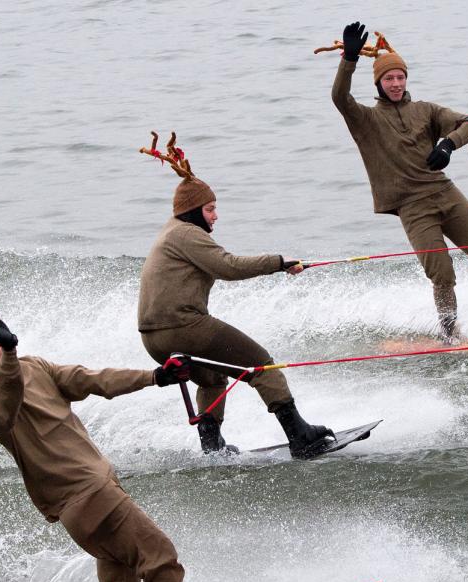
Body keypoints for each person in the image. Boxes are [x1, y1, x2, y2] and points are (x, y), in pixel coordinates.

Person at [0, 307, 247, 582]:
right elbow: (7, 405)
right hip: (86, 496)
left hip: (94, 495)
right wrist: (10, 356)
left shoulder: (34, 366)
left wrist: (155, 376)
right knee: (157, 552)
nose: (6, 331)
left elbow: (93, 379)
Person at [327, 23, 468, 342]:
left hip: (446, 194)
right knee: (442, 274)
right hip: (413, 208)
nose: (396, 83)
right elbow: (339, 96)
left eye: (400, 77)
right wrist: (349, 58)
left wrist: (449, 144)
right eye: (389, 78)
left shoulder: (425, 111)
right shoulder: (366, 119)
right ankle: (450, 333)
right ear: (378, 82)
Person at [137, 132, 335, 459]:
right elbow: (228, 267)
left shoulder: (170, 231)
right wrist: (278, 263)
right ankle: (299, 436)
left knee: (212, 377)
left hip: (153, 340)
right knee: (262, 366)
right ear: (193, 211)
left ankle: (211, 447)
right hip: (183, 328)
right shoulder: (188, 234)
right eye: (211, 209)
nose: (215, 216)